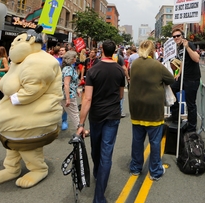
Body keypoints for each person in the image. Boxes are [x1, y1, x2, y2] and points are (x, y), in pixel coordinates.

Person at [76, 40, 125, 203]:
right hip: (112, 115)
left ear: (101, 50)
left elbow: (87, 98)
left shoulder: (93, 70)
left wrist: (81, 124)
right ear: (114, 51)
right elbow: (121, 95)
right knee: (106, 154)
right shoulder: (120, 70)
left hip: (96, 116)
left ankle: (98, 177)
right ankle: (99, 196)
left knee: (96, 150)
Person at [128, 40, 174, 181]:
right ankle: (154, 171)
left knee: (137, 140)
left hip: (136, 108)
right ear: (153, 51)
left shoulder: (134, 64)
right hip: (153, 110)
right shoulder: (157, 65)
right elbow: (170, 79)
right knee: (154, 142)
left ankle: (135, 168)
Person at [169, 28, 201, 132]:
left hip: (192, 79)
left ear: (182, 36)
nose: (176, 38)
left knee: (190, 103)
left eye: (178, 35)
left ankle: (192, 127)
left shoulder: (188, 44)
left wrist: (187, 47)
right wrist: (178, 73)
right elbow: (183, 61)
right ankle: (175, 116)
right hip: (183, 77)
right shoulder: (179, 47)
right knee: (171, 89)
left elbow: (196, 58)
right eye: (174, 36)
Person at [61, 50, 80, 130]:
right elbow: (66, 84)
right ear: (71, 59)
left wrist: (77, 89)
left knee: (58, 112)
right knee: (74, 113)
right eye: (75, 57)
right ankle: (80, 130)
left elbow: (71, 83)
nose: (76, 58)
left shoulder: (68, 68)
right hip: (68, 94)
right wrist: (68, 98)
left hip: (64, 94)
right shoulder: (69, 69)